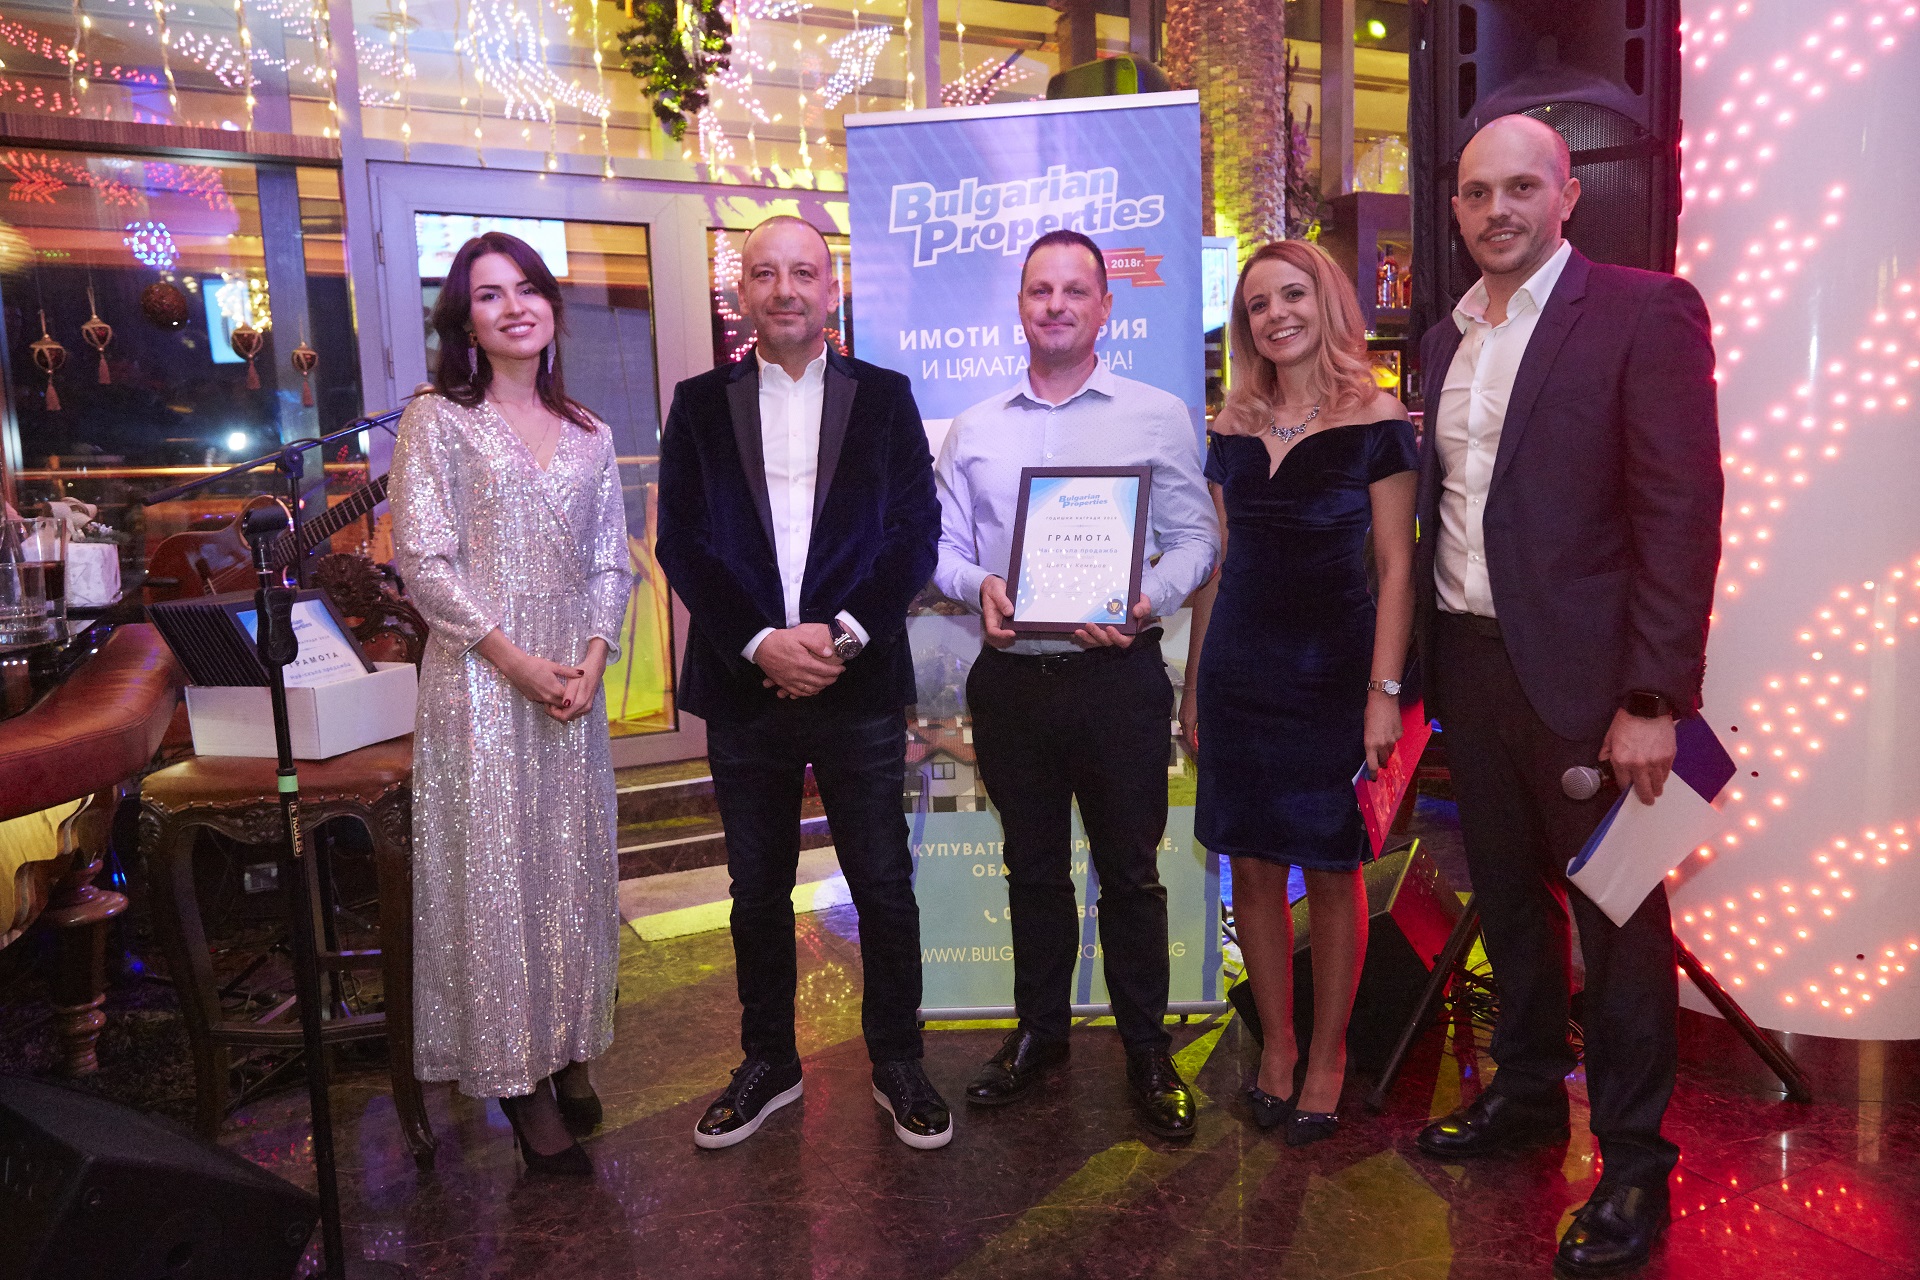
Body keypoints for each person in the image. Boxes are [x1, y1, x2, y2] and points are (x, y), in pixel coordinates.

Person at [1409, 115, 1722, 1276]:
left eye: (1521, 187)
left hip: (1594, 684)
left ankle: (1635, 1159)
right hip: (1471, 663)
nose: (1498, 209)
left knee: (1621, 920)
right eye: (1477, 192)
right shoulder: (1443, 339)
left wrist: (1653, 696)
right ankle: (1530, 1093)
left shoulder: (1644, 311)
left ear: (1567, 194)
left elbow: (1681, 513)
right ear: (1454, 207)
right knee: (1506, 896)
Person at [655, 216, 949, 1151]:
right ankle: (769, 1061)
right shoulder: (698, 404)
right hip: (745, 690)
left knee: (884, 883)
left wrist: (842, 636)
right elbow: (682, 542)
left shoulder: (887, 398)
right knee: (755, 892)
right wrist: (759, 644)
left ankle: (897, 1059)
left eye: (804, 273)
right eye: (764, 273)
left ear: (832, 290)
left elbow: (914, 534)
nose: (785, 289)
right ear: (740, 292)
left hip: (857, 685)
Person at [935, 229, 1219, 1140]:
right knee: (1032, 870)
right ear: (1019, 306)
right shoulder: (976, 428)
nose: (1055, 305)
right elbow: (939, 546)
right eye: (1039, 291)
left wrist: (1145, 602)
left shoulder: (1155, 415)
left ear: (1105, 308)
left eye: (1073, 291)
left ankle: (1147, 1049)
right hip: (1013, 686)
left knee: (1131, 874)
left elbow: (1198, 540)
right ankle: (1040, 1036)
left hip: (1117, 679)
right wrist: (976, 585)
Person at [391, 231, 629, 1177]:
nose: (515, 307)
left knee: (569, 874)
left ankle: (568, 1048)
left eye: (528, 289)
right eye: (490, 295)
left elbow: (610, 561)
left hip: (572, 687)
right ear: (466, 321)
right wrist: (514, 660)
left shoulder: (591, 432)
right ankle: (518, 1087)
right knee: (494, 883)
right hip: (480, 686)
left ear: (552, 310)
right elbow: (423, 560)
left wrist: (594, 659)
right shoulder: (438, 420)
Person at [1180, 239, 1416, 1147]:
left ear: (1327, 302)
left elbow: (1396, 568)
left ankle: (1328, 1054)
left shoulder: (1376, 417)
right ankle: (1276, 1047)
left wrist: (1383, 691)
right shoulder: (1232, 425)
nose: (1276, 315)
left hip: (1334, 676)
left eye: (1292, 295)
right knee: (1249, 862)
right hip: (1240, 673)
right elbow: (1218, 567)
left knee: (1330, 867)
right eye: (1258, 305)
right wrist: (1195, 683)